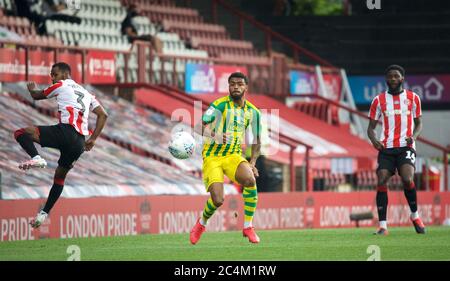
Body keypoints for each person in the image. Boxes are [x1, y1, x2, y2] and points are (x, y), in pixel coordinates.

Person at [13, 62, 108, 228]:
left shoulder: (61, 85)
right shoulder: (87, 93)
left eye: (54, 74)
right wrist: (93, 139)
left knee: (21, 133)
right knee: (59, 177)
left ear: (64, 75)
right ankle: (42, 215)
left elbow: (36, 96)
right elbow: (103, 115)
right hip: (79, 142)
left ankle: (36, 158)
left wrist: (31, 88)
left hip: (65, 131)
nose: (52, 78)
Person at [190, 72, 262, 244]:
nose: (235, 87)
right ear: (228, 86)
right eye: (232, 84)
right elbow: (198, 127)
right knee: (218, 199)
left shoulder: (254, 112)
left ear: (246, 87)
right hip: (212, 157)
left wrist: (252, 162)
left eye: (239, 84)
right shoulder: (219, 105)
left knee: (250, 179)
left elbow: (257, 139)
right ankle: (201, 224)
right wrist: (215, 135)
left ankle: (248, 226)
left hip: (233, 155)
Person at [367, 64, 425, 235]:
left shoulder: (413, 98)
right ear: (386, 79)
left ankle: (415, 215)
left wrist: (413, 137)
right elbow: (370, 128)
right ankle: (383, 226)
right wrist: (374, 140)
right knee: (382, 179)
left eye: (396, 76)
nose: (392, 79)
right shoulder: (378, 100)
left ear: (402, 78)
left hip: (406, 145)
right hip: (387, 147)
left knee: (407, 178)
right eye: (390, 76)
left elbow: (419, 123)